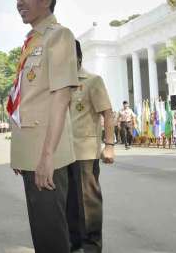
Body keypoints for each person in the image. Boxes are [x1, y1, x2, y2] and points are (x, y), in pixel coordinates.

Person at [8, 0, 78, 253]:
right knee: (42, 230)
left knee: (51, 235)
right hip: (32, 151)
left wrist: (46, 156)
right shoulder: (32, 40)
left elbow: (61, 97)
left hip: (45, 154)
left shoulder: (58, 35)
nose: (19, 2)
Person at [66, 40, 115, 253]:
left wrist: (110, 145)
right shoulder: (58, 84)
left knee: (88, 202)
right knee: (69, 202)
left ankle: (92, 246)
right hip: (62, 152)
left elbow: (107, 113)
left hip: (85, 151)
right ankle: (73, 242)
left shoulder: (93, 81)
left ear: (77, 57)